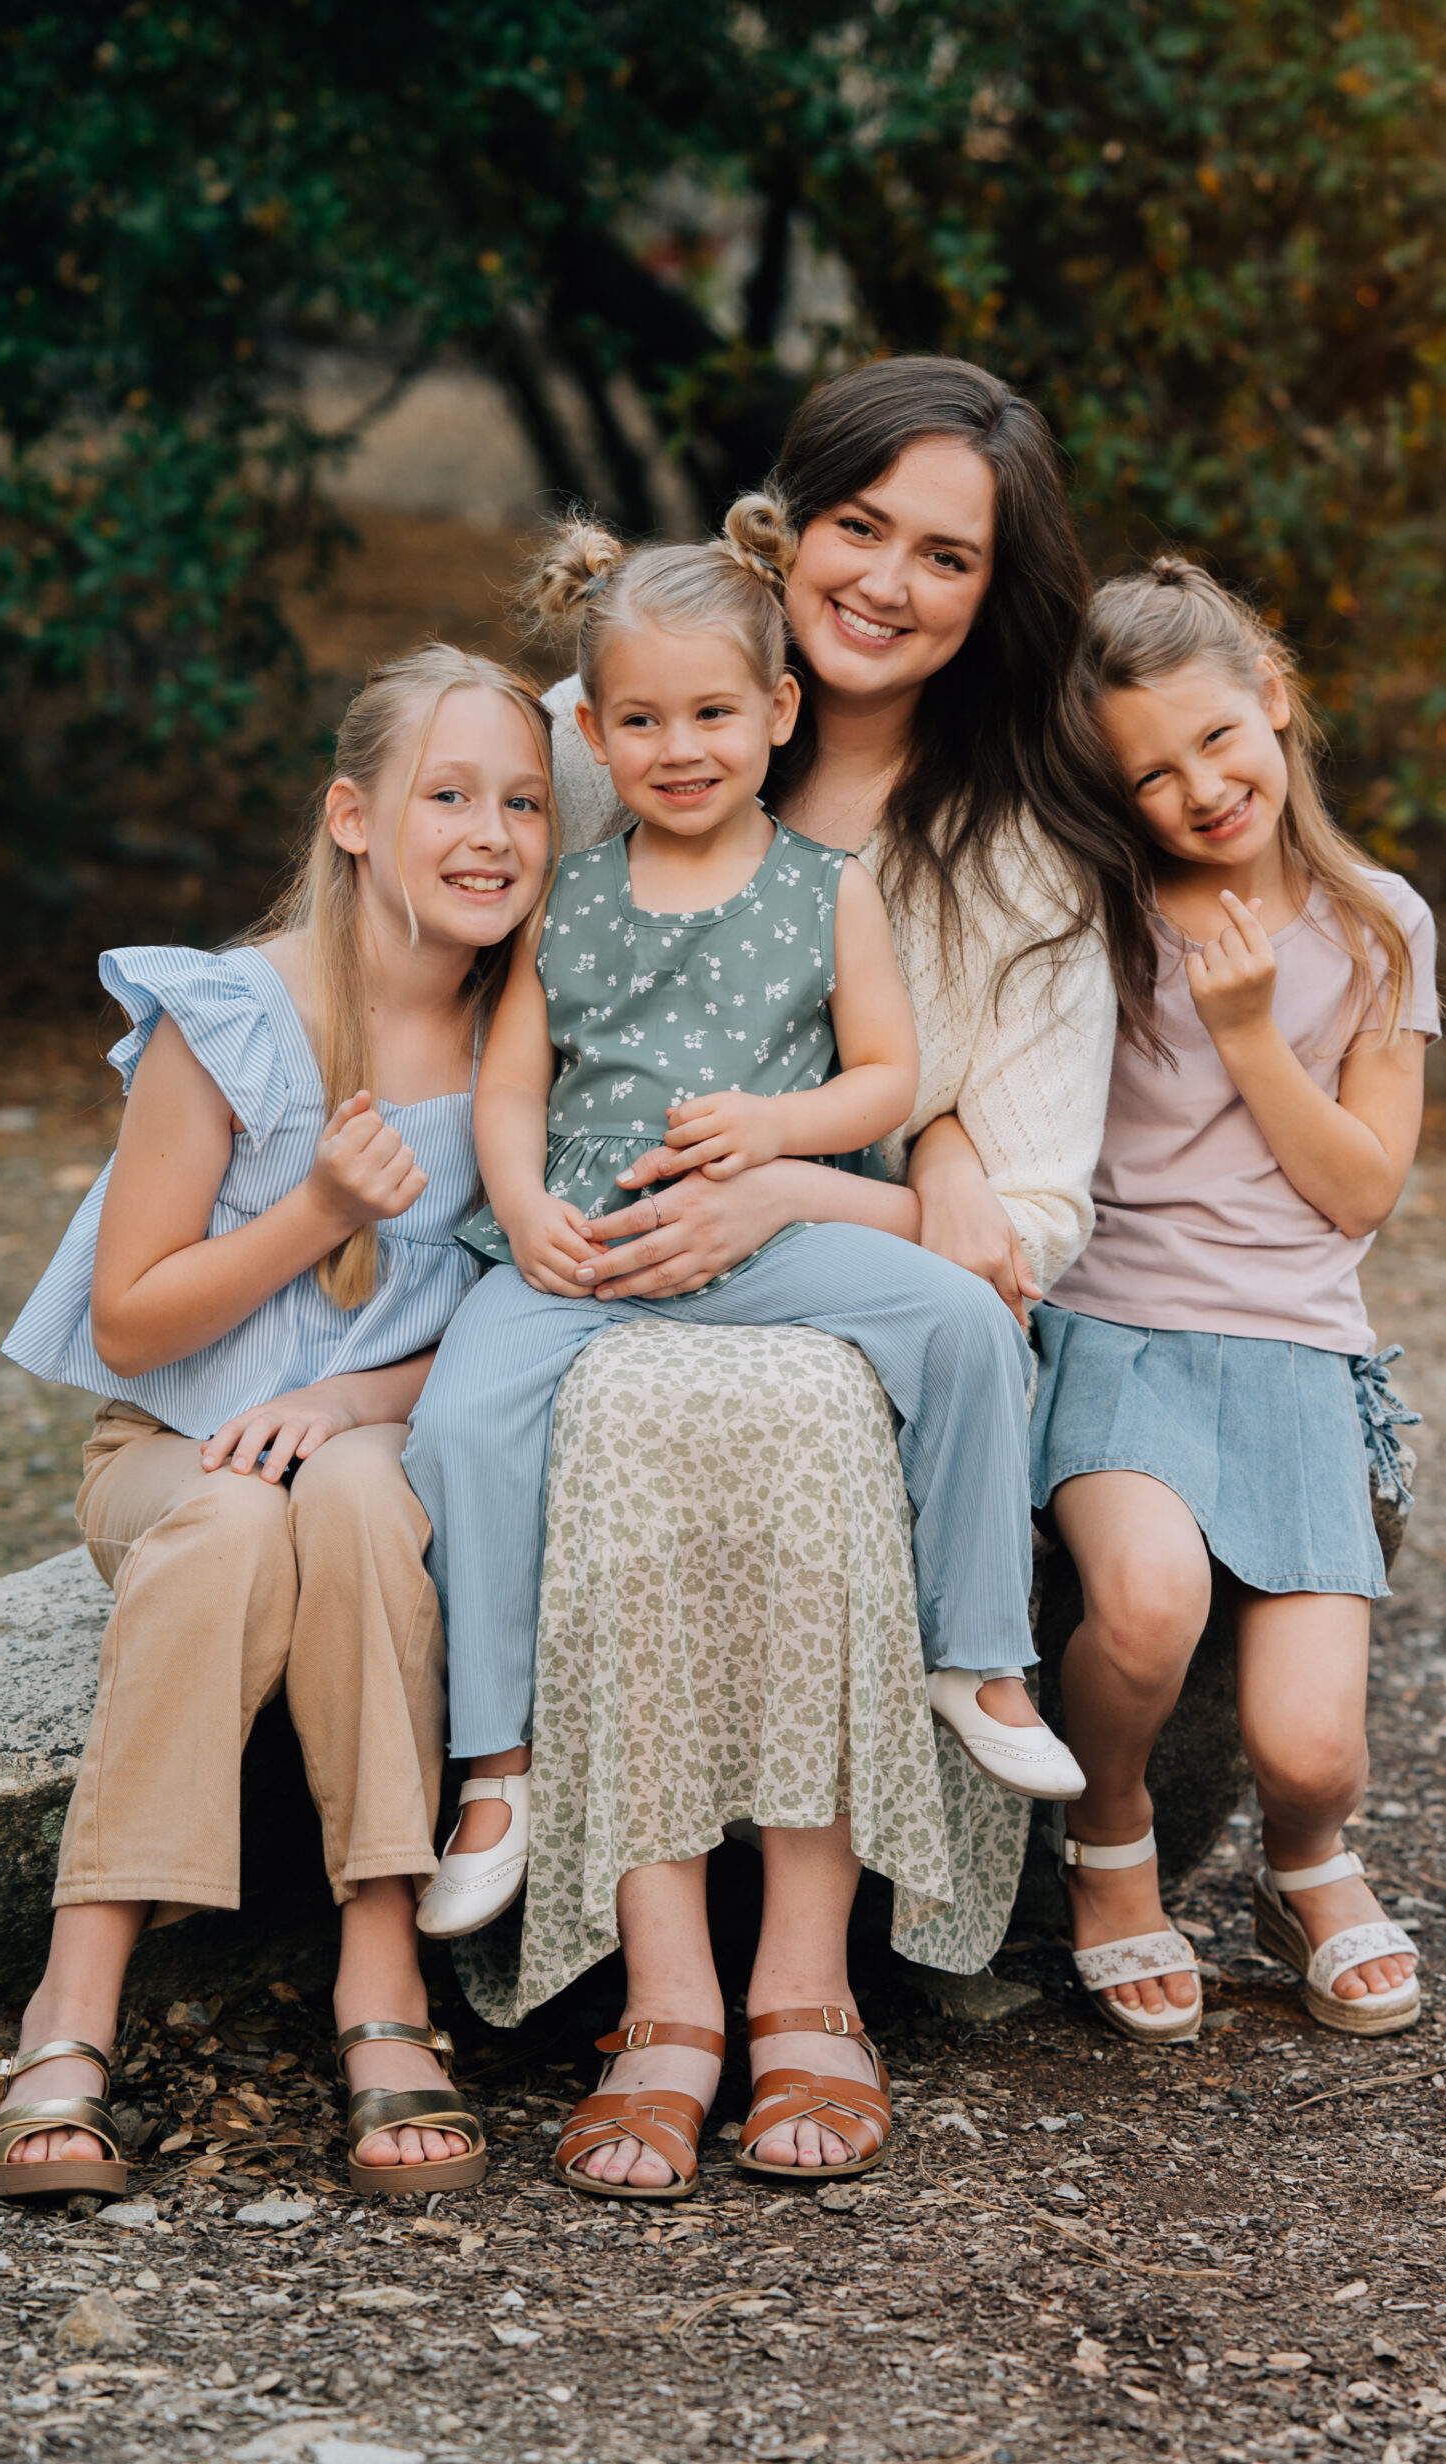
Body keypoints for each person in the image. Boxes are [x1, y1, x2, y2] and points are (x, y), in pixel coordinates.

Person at [435, 357, 1161, 2194]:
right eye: (859, 527)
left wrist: (813, 1194)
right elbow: (422, 943)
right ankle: (658, 1985)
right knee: (606, 1410)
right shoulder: (596, 725)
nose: (890, 581)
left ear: (996, 596)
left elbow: (1028, 1214)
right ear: (792, 525)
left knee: (802, 1410)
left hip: (834, 1287)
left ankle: (807, 1982)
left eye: (948, 555)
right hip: (590, 1258)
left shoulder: (1013, 848)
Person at [0, 645, 555, 2198]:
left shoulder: (533, 1040)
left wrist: (354, 1398)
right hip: (172, 1453)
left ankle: (382, 1970)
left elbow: (529, 1325)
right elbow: (131, 1320)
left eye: (523, 801)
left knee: (362, 1495)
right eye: (448, 794)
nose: (490, 830)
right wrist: (314, 1207)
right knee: (241, 1513)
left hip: (380, 1441)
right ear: (356, 816)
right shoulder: (235, 1016)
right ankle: (76, 1989)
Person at [1032, 557, 1435, 2043]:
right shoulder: (1099, 916)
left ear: (1274, 698)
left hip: (1297, 1349)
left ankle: (1306, 1860)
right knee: (1145, 1607)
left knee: (1315, 1749)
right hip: (1117, 1332)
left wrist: (1255, 1032)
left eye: (1217, 738)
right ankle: (1113, 1842)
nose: (1200, 788)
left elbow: (1359, 1191)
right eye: (1151, 774)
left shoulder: (1378, 924)